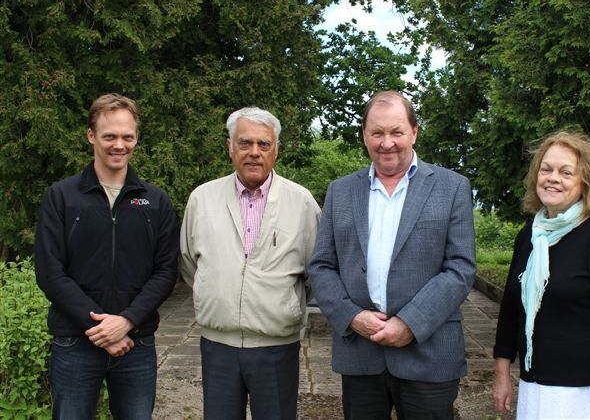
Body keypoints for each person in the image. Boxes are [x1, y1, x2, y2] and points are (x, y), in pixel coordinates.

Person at [309, 90, 476, 420]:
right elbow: (322, 266)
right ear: (365, 135)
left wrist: (410, 323)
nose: (387, 143)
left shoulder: (451, 187)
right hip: (361, 354)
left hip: (428, 353)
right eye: (377, 133)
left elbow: (460, 268)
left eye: (396, 132)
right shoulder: (340, 191)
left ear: (414, 131)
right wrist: (352, 318)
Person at [35, 93, 180, 419]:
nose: (119, 145)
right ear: (91, 136)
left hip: (137, 343)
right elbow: (49, 271)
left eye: (127, 137)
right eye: (109, 136)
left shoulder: (155, 201)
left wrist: (126, 321)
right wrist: (99, 327)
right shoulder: (61, 197)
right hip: (75, 342)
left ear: (136, 138)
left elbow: (166, 271)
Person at [179, 106, 321, 420]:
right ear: (230, 146)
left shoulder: (302, 202)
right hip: (218, 346)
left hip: (276, 347)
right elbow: (190, 263)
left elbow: (315, 272)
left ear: (276, 150)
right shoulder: (201, 199)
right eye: (245, 143)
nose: (254, 152)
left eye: (263, 144)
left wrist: (282, 305)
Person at [492, 129, 590, 419]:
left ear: (584, 183)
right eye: (545, 169)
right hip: (537, 388)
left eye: (566, 172)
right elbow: (511, 310)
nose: (552, 178)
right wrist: (501, 373)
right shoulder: (530, 236)